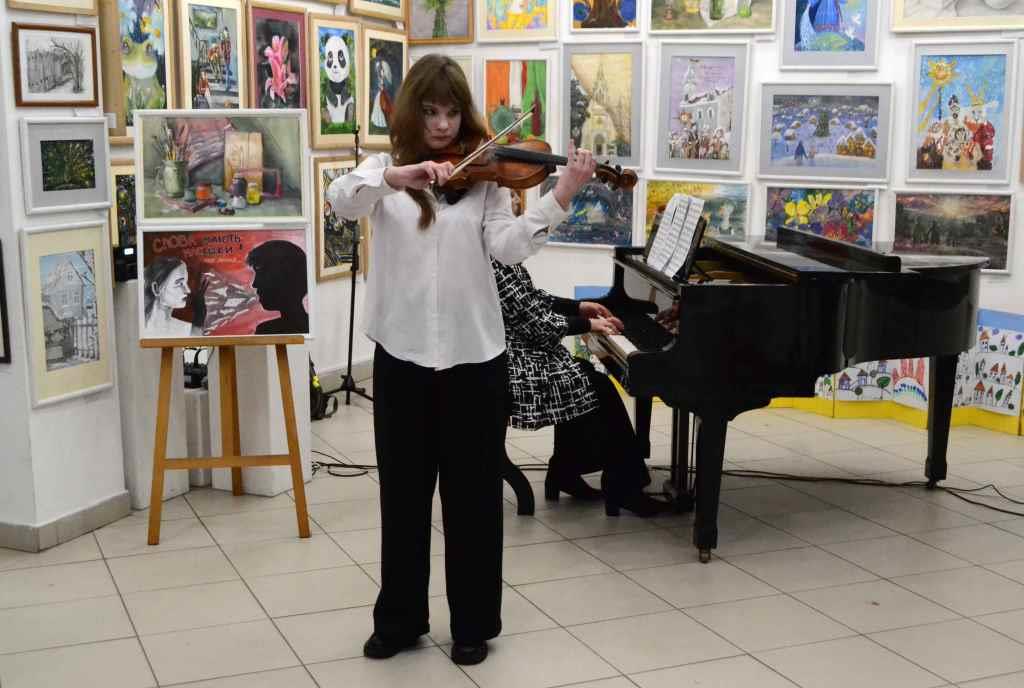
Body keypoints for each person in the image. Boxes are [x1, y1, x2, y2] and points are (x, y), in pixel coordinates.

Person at [326, 54, 596, 666]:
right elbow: (342, 201)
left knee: (473, 498)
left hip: (474, 358)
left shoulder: (487, 178)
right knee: (403, 496)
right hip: (402, 355)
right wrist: (396, 178)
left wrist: (561, 194)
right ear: (412, 113)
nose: (443, 125)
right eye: (430, 112)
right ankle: (400, 620)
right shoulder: (382, 174)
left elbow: (508, 247)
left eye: (451, 112)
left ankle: (472, 623)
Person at [493, 261, 669, 517]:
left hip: (516, 354)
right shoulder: (495, 263)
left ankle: (565, 471)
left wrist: (578, 306)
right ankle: (626, 487)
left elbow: (531, 299)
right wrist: (587, 324)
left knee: (584, 373)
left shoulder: (499, 258)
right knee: (598, 387)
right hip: (512, 367)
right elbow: (537, 325)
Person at [246, 240, 309, 335]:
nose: (255, 284)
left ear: (284, 276)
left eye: (261, 273)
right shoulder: (312, 326)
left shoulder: (266, 331)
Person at [143, 257, 206, 337]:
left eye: (185, 282)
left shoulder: (186, 329)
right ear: (156, 289)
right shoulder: (143, 329)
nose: (188, 290)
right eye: (179, 283)